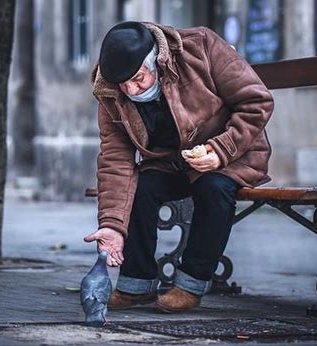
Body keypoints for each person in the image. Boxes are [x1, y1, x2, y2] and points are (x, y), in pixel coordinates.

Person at [84, 21, 274, 312]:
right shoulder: (111, 90)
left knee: (215, 188)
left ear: (156, 63)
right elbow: (114, 157)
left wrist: (220, 150)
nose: (131, 90)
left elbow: (256, 102)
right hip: (171, 163)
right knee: (140, 188)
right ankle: (137, 283)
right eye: (124, 85)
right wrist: (111, 225)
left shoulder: (201, 47)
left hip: (232, 154)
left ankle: (191, 283)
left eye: (138, 79)